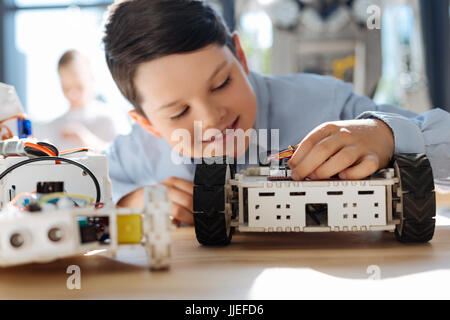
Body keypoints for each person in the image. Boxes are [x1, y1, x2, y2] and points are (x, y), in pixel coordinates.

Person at [102, 0, 450, 226]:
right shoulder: (134, 155)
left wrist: (388, 136)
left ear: (240, 54)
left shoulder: (325, 103)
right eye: (178, 112)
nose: (210, 117)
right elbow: (71, 198)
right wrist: (125, 206)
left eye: (221, 83)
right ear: (146, 124)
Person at [37, 50, 130, 151]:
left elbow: (125, 155)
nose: (73, 95)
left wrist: (86, 139)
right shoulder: (52, 127)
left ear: (91, 77)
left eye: (79, 86)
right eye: (66, 88)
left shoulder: (112, 117)